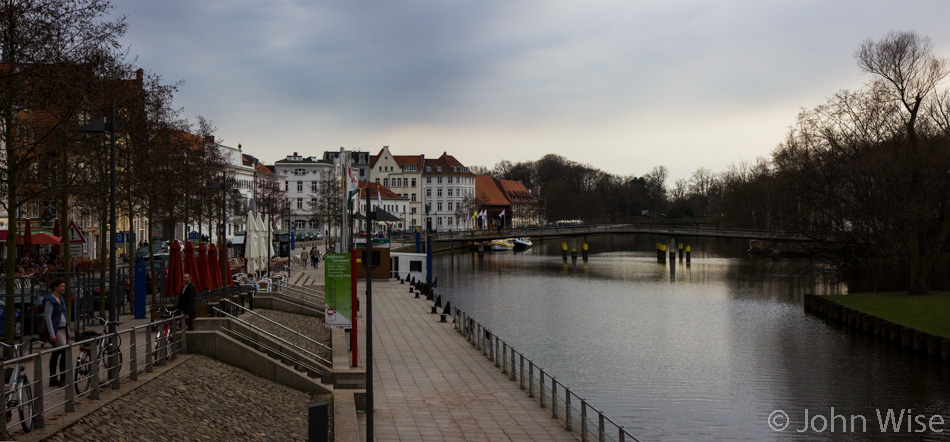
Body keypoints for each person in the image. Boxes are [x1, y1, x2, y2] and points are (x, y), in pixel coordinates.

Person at [43, 278, 70, 387]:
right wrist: (52, 334)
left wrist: (68, 330)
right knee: (63, 352)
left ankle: (53, 377)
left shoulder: (61, 299)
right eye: (61, 286)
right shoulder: (50, 300)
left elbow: (65, 315)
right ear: (55, 287)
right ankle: (62, 378)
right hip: (56, 330)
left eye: (64, 286)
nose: (63, 288)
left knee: (56, 353)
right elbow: (48, 318)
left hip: (63, 329)